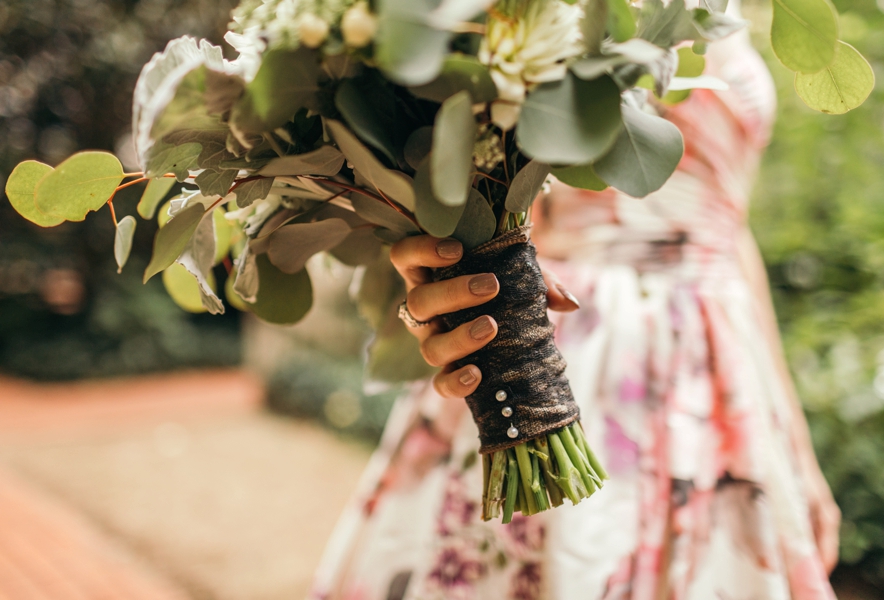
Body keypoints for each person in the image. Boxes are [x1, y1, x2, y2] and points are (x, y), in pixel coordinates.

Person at [310, 2, 841, 598]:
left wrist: (796, 447)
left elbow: (730, 231)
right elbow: (487, 172)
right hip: (570, 337)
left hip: (717, 354)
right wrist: (442, 276)